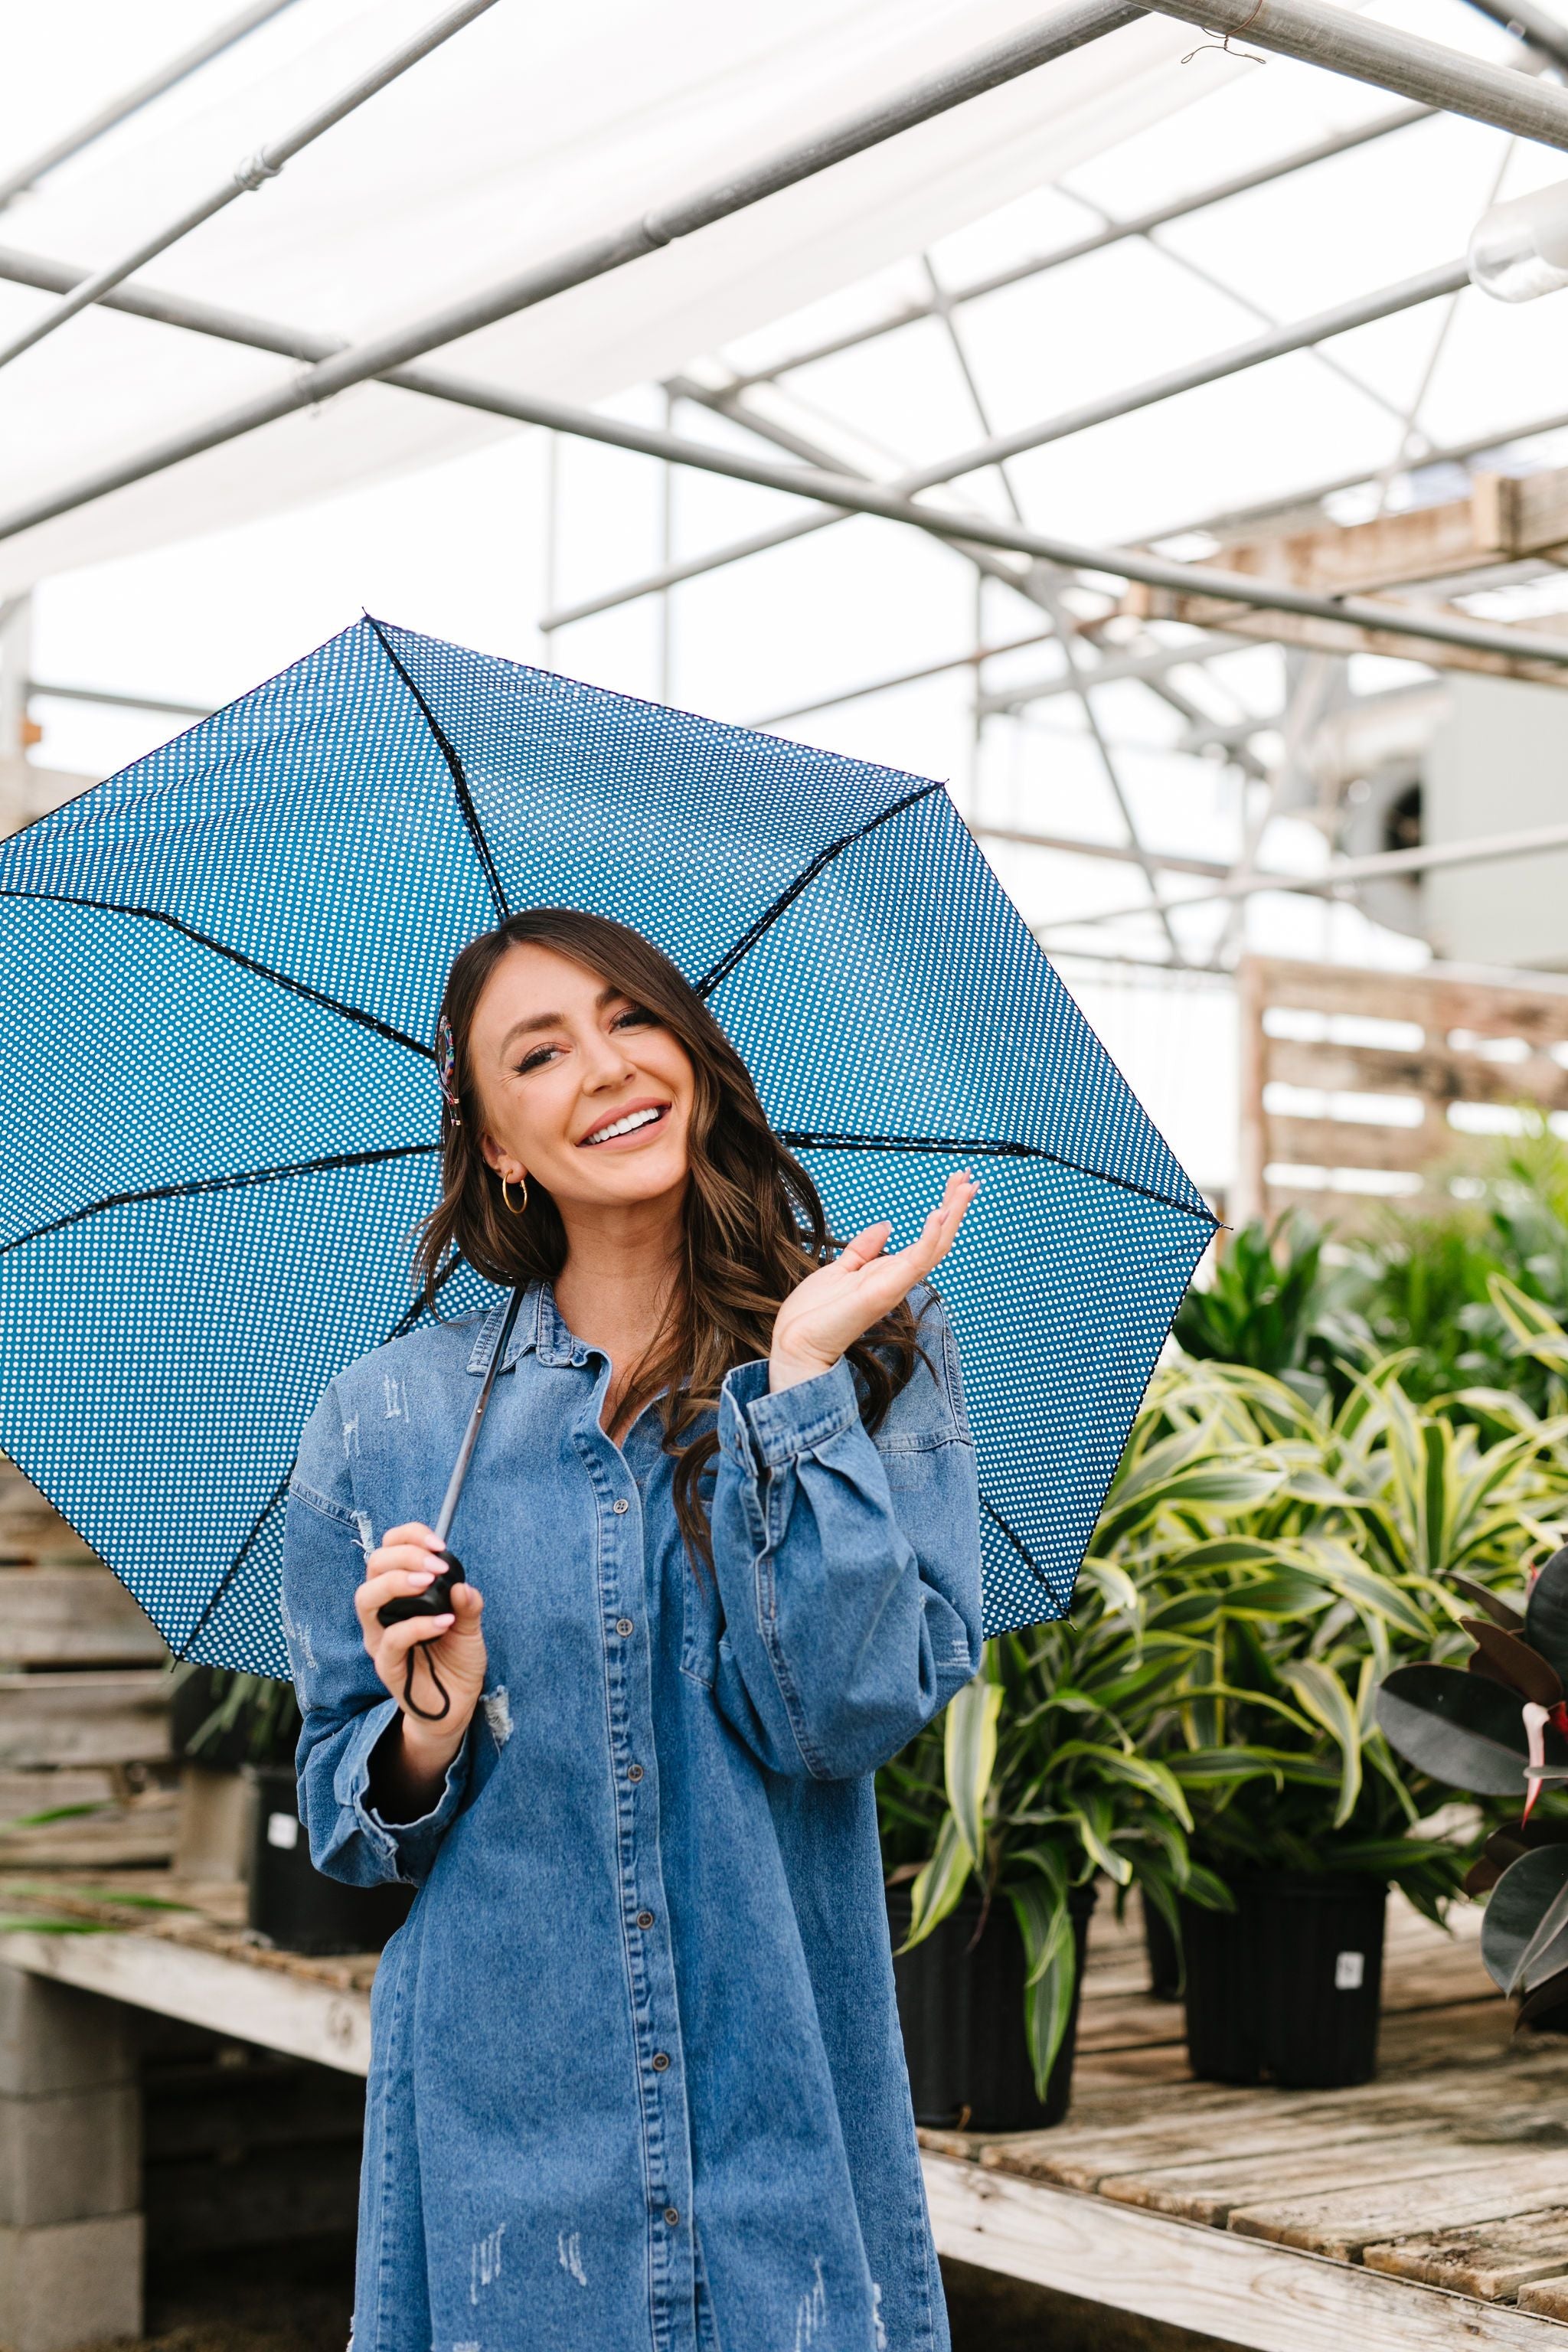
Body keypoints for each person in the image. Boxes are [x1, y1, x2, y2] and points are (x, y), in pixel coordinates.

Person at [280, 906, 984, 2352]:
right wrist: (428, 1720)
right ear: (495, 1142)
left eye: (631, 1020)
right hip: (500, 2144)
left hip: (777, 2107)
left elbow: (845, 1719)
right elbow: (350, 1828)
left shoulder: (869, 1354)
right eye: (539, 1053)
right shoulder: (393, 1419)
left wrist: (796, 1390)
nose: (604, 1067)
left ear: (697, 1061)